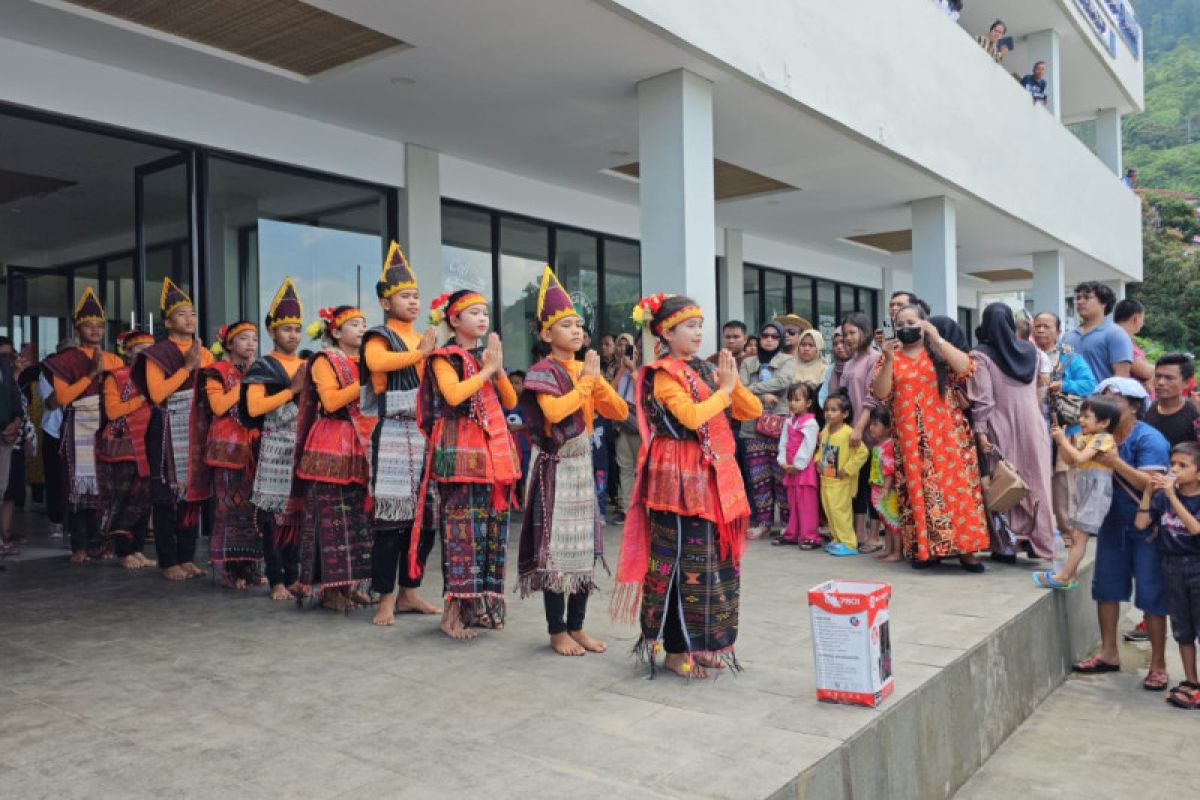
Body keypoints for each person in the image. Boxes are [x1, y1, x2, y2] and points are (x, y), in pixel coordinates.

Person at [612, 293, 761, 678]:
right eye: (690, 326)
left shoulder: (705, 369)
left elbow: (753, 411)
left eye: (699, 325)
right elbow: (693, 417)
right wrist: (725, 392)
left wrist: (732, 386)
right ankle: (676, 649)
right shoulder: (662, 374)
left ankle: (703, 643)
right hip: (675, 476)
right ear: (666, 331)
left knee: (710, 560)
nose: (698, 333)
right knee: (679, 561)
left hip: (707, 474)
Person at [518, 267, 628, 657]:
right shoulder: (542, 371)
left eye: (580, 325)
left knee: (583, 547)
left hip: (583, 465)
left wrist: (596, 381)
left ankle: (578, 625)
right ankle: (556, 630)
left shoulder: (586, 370)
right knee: (556, 550)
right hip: (556, 468)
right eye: (567, 325)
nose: (577, 331)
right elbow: (554, 411)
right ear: (547, 334)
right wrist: (585, 382)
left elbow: (617, 411)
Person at [413, 289, 520, 640]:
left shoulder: (485, 357)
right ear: (454, 320)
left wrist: (498, 369)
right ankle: (452, 613)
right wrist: (487, 369)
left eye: (484, 312)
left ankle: (477, 607)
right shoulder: (444, 357)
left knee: (489, 534)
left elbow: (510, 400)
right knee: (461, 535)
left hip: (490, 456)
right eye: (473, 313)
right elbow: (454, 395)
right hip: (459, 454)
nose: (482, 318)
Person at [871, 304, 988, 570]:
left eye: (911, 321)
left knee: (955, 490)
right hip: (910, 438)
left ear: (925, 323)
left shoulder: (937, 351)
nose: (905, 327)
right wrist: (888, 360)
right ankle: (928, 551)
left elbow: (966, 367)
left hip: (947, 433)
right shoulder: (889, 356)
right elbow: (880, 393)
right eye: (899, 324)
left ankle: (967, 550)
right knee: (918, 492)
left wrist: (937, 337)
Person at [360, 243, 441, 625]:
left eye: (416, 296)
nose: (413, 302)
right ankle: (385, 598)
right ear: (385, 301)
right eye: (405, 296)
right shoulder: (380, 335)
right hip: (392, 433)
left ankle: (410, 590)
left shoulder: (421, 338)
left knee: (424, 522)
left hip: (424, 433)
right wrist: (420, 353)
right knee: (390, 522)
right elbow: (377, 363)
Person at [1073, 377, 1171, 691]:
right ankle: (1108, 653)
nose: (1107, 403)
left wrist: (1115, 463)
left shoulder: (1148, 438)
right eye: (1103, 398)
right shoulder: (1097, 435)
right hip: (1112, 522)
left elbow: (1153, 485)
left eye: (1114, 399)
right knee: (1106, 589)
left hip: (1147, 526)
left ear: (1132, 406)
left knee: (1151, 595)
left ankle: (1158, 664)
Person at [289, 305, 375, 612]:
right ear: (335, 332)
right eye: (354, 324)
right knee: (331, 520)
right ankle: (331, 590)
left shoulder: (365, 361)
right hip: (332, 443)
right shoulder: (325, 360)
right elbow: (331, 399)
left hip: (360, 444)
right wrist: (367, 381)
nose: (362, 328)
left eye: (364, 323)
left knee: (358, 520)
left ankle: (351, 585)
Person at [131, 279, 214, 581]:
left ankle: (187, 556)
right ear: (167, 322)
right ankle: (168, 560)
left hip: (196, 424)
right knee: (166, 494)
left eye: (192, 313)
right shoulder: (159, 352)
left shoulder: (202, 351)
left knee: (192, 493)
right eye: (182, 314)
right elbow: (156, 395)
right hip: (165, 426)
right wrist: (187, 367)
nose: (190, 319)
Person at [40, 290, 124, 563]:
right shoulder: (66, 360)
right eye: (89, 325)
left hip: (107, 425)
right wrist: (90, 375)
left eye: (100, 325)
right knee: (78, 488)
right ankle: (79, 545)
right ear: (78, 329)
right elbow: (61, 399)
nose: (96, 330)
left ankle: (99, 544)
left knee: (104, 487)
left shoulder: (114, 360)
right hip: (78, 424)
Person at [970, 303, 1055, 561]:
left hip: (999, 425)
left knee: (1003, 483)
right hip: (1033, 425)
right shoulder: (1033, 352)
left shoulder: (980, 355)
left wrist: (980, 431)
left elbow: (984, 399)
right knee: (1036, 482)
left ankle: (1006, 546)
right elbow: (1042, 388)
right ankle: (1041, 543)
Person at [241, 278, 306, 601]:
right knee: (272, 516)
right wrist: (292, 391)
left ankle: (293, 575)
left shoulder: (308, 362)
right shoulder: (264, 366)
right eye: (286, 329)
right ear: (271, 332)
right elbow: (255, 407)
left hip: (302, 446)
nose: (293, 335)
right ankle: (276, 579)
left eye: (297, 329)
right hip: (275, 445)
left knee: (297, 514)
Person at [188, 321, 261, 589]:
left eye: (254, 338)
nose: (251, 343)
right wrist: (247, 383)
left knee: (252, 510)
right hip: (227, 448)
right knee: (228, 509)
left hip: (253, 447)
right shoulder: (214, 372)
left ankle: (249, 568)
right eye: (244, 338)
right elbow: (218, 406)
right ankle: (228, 571)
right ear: (229, 344)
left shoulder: (258, 369)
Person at [1135, 442, 1200, 709]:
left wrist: (1173, 497)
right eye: (1173, 464)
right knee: (1182, 630)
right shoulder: (1162, 497)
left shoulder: (1183, 498)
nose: (1174, 470)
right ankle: (1191, 682)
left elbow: (1195, 529)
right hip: (1171, 566)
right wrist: (1149, 494)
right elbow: (1141, 524)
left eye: (1182, 466)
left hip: (1197, 566)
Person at [1035, 395, 1123, 590]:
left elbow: (1081, 458)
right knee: (1075, 536)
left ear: (1104, 422)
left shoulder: (1103, 438)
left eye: (1086, 416)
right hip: (1084, 488)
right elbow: (1069, 460)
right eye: (1081, 416)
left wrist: (1062, 441)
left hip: (1095, 491)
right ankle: (1070, 574)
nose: (1081, 420)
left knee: (1080, 537)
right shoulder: (1086, 437)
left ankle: (1065, 576)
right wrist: (1061, 442)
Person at [1032, 311, 1098, 536]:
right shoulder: (1024, 353)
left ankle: (1068, 530)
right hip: (1033, 424)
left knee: (1064, 479)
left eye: (1047, 326)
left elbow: (1090, 384)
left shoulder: (1069, 357)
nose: (1041, 330)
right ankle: (1037, 531)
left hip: (1064, 427)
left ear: (1058, 332)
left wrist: (1064, 385)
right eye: (1038, 325)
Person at [96, 328, 155, 569]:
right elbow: (112, 411)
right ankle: (122, 551)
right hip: (123, 445)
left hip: (148, 443)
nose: (145, 355)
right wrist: (141, 399)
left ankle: (137, 549)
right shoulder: (116, 376)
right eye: (139, 350)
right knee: (124, 499)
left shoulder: (155, 378)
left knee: (144, 500)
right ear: (128, 352)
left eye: (149, 350)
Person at [830, 312, 883, 553]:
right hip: (852, 433)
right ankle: (858, 532)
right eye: (845, 333)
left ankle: (875, 534)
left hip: (871, 431)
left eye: (853, 333)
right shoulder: (849, 362)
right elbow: (844, 398)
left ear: (866, 332)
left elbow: (873, 397)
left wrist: (861, 427)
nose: (848, 338)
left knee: (876, 482)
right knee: (858, 483)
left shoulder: (875, 358)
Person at [738, 321, 797, 538]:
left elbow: (783, 382)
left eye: (775, 336)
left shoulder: (788, 360)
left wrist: (751, 390)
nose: (769, 339)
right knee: (758, 477)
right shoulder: (748, 362)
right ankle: (763, 523)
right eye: (765, 335)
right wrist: (761, 395)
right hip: (752, 424)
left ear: (781, 339)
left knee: (781, 476)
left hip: (779, 423)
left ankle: (787, 523)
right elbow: (738, 388)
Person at [818, 390, 869, 556]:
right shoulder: (825, 430)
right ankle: (837, 539)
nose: (829, 414)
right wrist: (817, 460)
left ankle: (848, 542)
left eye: (834, 410)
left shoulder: (848, 433)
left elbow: (863, 453)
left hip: (841, 482)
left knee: (841, 512)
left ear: (845, 413)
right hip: (826, 479)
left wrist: (847, 470)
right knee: (830, 511)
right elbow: (821, 449)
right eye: (827, 410)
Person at [775, 382, 820, 549]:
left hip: (803, 470)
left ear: (808, 403)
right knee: (792, 502)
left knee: (806, 504)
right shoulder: (789, 422)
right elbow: (783, 442)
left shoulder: (811, 424)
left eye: (797, 399)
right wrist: (783, 462)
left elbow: (808, 447)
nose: (793, 403)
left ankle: (810, 536)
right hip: (790, 468)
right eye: (790, 400)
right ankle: (792, 533)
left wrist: (797, 465)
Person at [1062, 281, 1131, 382]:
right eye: (1078, 298)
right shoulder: (1067, 336)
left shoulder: (1116, 334)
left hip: (1100, 397)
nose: (1080, 302)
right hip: (1068, 396)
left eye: (1087, 297)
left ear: (1103, 303)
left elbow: (1121, 378)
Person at [0, 341, 26, 557]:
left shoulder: (5, 372)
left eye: (10, 355)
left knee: (3, 489)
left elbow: (16, 400)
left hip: (7, 437)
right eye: (3, 355)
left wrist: (15, 423)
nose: (8, 359)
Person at [611, 332, 640, 524]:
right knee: (625, 468)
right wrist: (622, 369)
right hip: (621, 423)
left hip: (638, 423)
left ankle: (642, 509)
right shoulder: (617, 369)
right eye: (620, 344)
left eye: (628, 345)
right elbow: (610, 392)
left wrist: (633, 369)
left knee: (641, 468)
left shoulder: (645, 367)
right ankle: (629, 510)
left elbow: (645, 394)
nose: (624, 348)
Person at [868, 405, 902, 562]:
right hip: (878, 488)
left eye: (876, 424)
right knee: (886, 521)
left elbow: (889, 469)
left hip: (886, 490)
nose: (871, 427)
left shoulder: (888, 445)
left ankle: (897, 552)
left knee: (893, 522)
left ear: (888, 427)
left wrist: (886, 488)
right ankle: (888, 548)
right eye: (871, 424)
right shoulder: (878, 445)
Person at [1146, 354, 1199, 447]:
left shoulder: (1194, 416)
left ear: (1186, 383)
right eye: (1158, 376)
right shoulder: (1147, 409)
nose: (1160, 382)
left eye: (1169, 378)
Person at [1113, 298, 1154, 387]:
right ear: (1136, 318)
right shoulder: (1120, 340)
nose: (1142, 323)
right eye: (1142, 318)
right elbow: (1143, 370)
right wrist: (1157, 371)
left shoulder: (1118, 337)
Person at [506, 370, 531, 502]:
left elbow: (531, 422)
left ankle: (525, 500)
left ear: (524, 384)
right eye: (510, 383)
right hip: (509, 444)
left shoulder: (527, 403)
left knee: (525, 471)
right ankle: (511, 500)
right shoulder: (506, 403)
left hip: (524, 444)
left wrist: (518, 427)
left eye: (517, 383)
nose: (513, 386)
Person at [819, 330, 848, 407]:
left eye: (843, 342)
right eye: (835, 344)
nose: (839, 346)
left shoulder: (860, 365)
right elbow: (823, 396)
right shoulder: (832, 368)